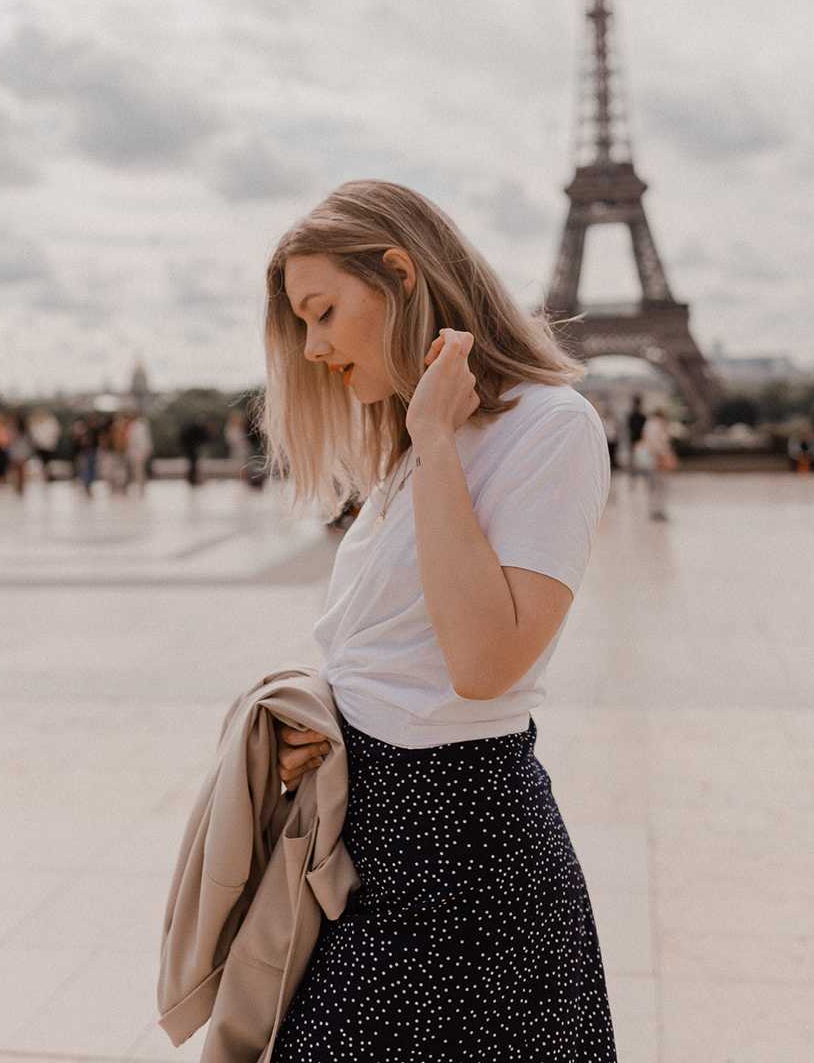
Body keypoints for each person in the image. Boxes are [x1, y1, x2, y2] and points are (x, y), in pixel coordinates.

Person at [261, 180, 616, 1061]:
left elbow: (483, 664)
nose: (312, 347)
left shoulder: (550, 428)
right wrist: (321, 727)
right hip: (378, 853)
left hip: (470, 873)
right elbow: (385, 655)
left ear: (399, 273)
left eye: (323, 311)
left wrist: (437, 441)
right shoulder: (414, 450)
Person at [638, 406, 677, 520]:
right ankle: (658, 510)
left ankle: (654, 509)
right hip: (658, 459)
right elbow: (656, 442)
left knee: (654, 486)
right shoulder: (656, 425)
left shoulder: (649, 425)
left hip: (652, 459)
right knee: (660, 485)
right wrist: (663, 454)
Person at [28, 409, 61, 481]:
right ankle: (46, 473)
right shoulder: (36, 424)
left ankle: (48, 474)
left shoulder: (50, 423)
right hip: (41, 445)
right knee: (44, 461)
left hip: (48, 445)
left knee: (47, 460)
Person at [125, 411, 153, 494]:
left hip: (139, 452)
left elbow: (141, 440)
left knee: (139, 471)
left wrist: (144, 452)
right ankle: (140, 486)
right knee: (137, 471)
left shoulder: (139, 426)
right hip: (135, 452)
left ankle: (142, 487)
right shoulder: (134, 425)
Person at [179, 413, 211, 487]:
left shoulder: (193, 426)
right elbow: (201, 438)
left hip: (189, 447)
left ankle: (192, 479)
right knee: (193, 463)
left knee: (193, 463)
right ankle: (192, 479)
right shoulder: (196, 428)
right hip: (190, 447)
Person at [8, 412, 33, 495]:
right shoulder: (11, 427)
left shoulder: (24, 428)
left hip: (21, 449)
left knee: (21, 469)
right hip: (15, 449)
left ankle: (21, 486)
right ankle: (17, 485)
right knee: (16, 469)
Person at [626, 393, 646, 481]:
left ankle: (633, 476)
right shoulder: (643, 416)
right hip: (641, 439)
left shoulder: (631, 416)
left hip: (632, 439)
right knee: (643, 459)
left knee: (632, 460)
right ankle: (644, 474)